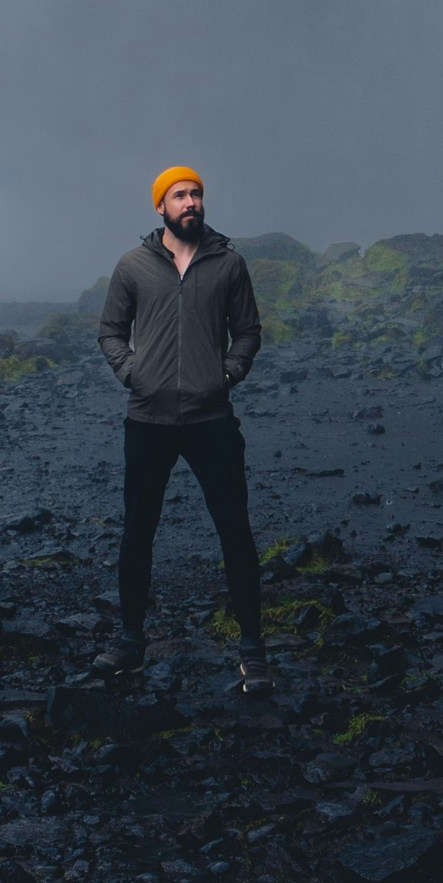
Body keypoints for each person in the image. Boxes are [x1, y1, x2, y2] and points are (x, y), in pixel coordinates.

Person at [96, 166, 270, 686]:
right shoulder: (133, 266)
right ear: (160, 207)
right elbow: (109, 332)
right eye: (179, 195)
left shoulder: (228, 265)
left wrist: (228, 373)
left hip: (211, 418)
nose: (190, 202)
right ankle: (131, 643)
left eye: (196, 194)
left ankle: (253, 651)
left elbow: (248, 331)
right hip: (148, 418)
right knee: (137, 533)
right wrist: (134, 374)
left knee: (235, 532)